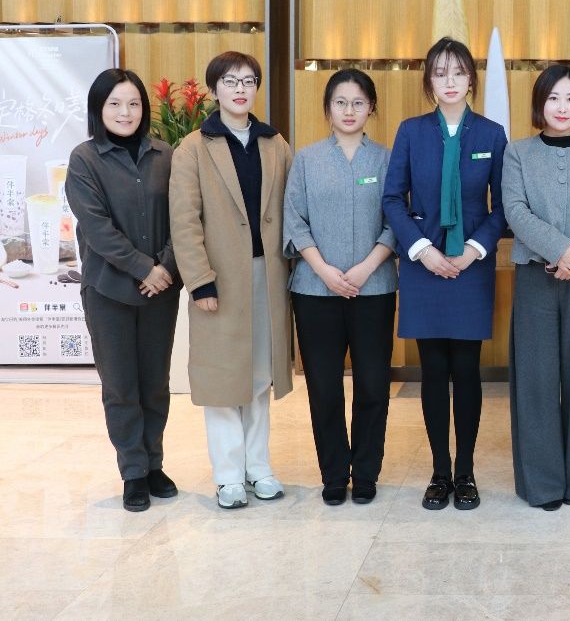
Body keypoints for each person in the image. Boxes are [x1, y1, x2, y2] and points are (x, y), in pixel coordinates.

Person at [383, 37, 506, 512]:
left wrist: (474, 250)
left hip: (471, 266)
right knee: (433, 371)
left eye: (458, 72)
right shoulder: (411, 132)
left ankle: (466, 472)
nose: (450, 81)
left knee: (467, 370)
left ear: (471, 80)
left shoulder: (491, 135)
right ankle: (439, 472)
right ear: (429, 82)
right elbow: (393, 198)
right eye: (440, 73)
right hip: (424, 266)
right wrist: (421, 250)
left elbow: (503, 206)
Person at [170, 51, 293, 509]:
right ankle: (228, 476)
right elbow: (184, 221)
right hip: (219, 279)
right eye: (230, 81)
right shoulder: (193, 148)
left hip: (267, 275)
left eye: (248, 80)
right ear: (214, 89)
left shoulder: (275, 144)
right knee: (223, 379)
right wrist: (199, 281)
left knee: (259, 376)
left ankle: (258, 467)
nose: (240, 89)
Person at [66, 69, 182, 513]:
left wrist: (165, 267)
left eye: (133, 103)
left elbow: (184, 218)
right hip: (108, 291)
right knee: (120, 386)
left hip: (160, 291)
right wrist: (144, 268)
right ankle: (133, 472)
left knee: (155, 384)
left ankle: (154, 464)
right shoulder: (84, 159)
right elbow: (97, 229)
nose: (125, 112)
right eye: (114, 103)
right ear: (98, 109)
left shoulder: (165, 155)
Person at [503, 65, 570, 510]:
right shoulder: (517, 153)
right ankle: (543, 484)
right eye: (553, 98)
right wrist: (558, 250)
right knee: (536, 381)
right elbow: (515, 210)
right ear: (540, 104)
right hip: (534, 278)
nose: (562, 107)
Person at [284, 69, 397, 506]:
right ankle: (333, 474)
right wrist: (324, 270)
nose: (349, 111)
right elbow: (295, 220)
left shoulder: (386, 160)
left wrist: (367, 267)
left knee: (373, 384)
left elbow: (397, 220)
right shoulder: (307, 160)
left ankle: (366, 473)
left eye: (358, 103)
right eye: (340, 102)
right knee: (324, 387)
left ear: (371, 108)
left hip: (374, 288)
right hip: (315, 291)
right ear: (328, 108)